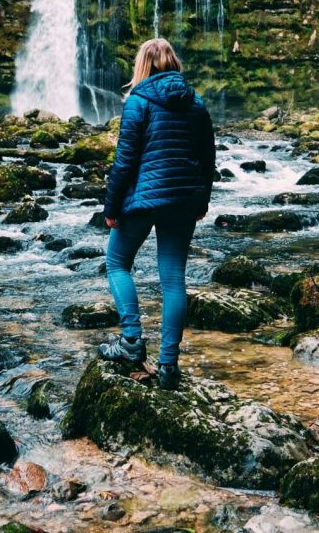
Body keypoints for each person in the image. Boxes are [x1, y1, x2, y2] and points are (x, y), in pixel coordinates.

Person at [99, 37, 216, 390]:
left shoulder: (138, 101)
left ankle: (132, 340)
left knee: (117, 263)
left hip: (143, 198)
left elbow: (125, 161)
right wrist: (202, 202)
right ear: (173, 63)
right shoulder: (196, 103)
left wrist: (111, 206)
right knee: (173, 280)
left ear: (141, 66)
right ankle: (168, 366)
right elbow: (208, 161)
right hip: (183, 200)